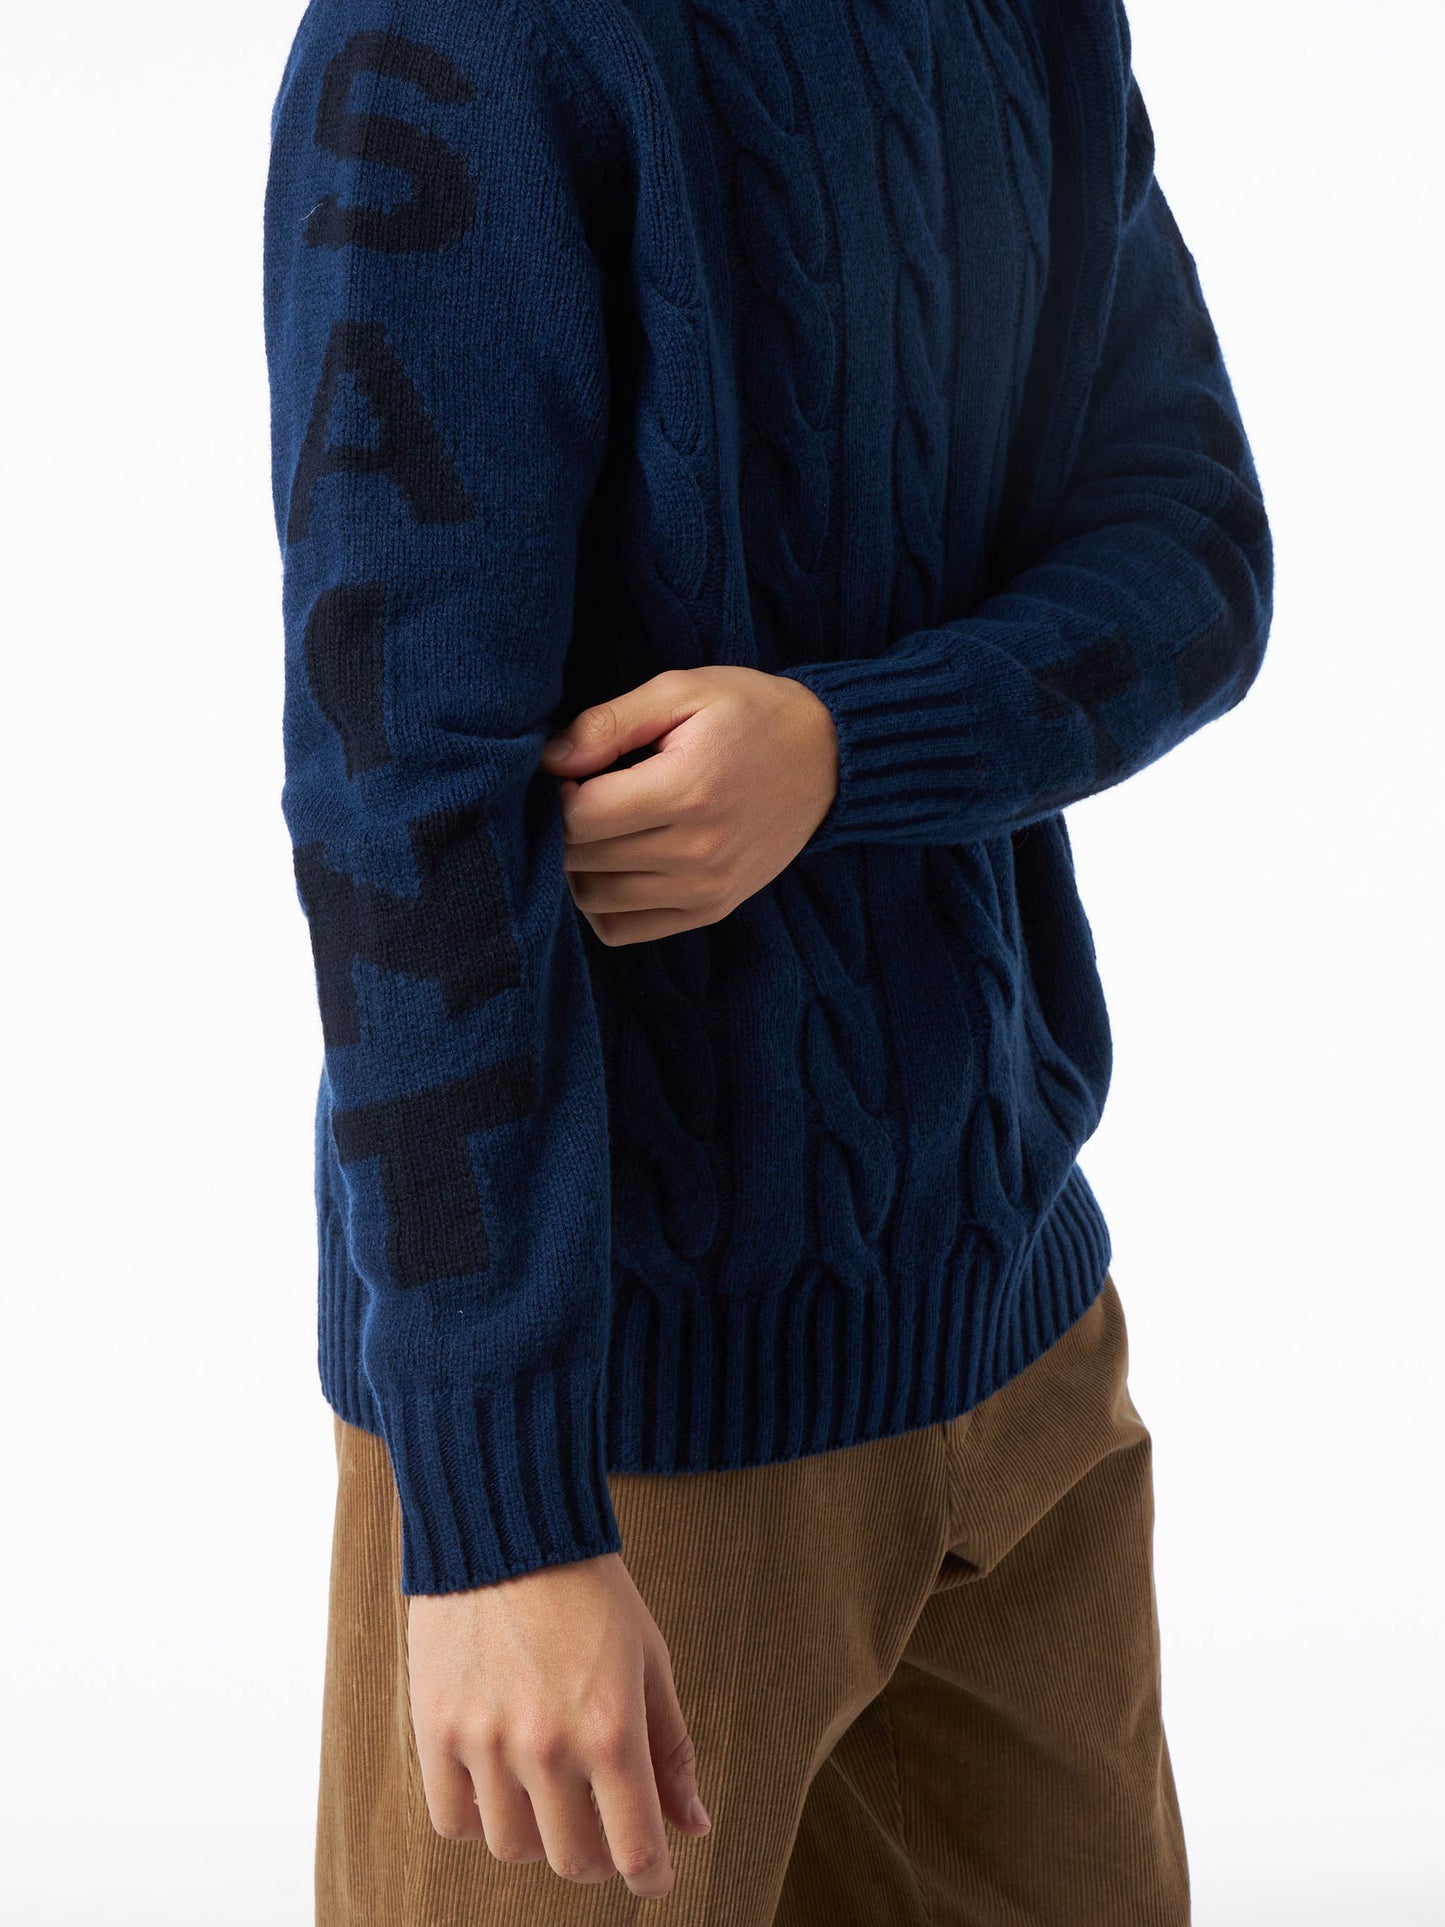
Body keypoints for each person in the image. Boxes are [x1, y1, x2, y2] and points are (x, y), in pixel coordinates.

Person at [264, 0, 1271, 1918]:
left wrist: (842, 749)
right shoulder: (458, 35)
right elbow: (400, 811)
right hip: (617, 1448)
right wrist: (498, 1514)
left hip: (1020, 1345)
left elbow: (1195, 551)